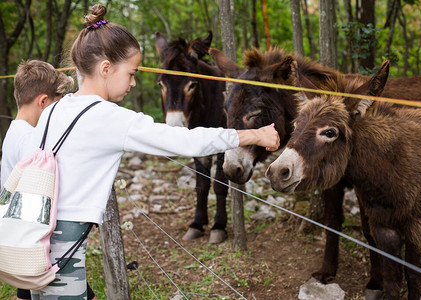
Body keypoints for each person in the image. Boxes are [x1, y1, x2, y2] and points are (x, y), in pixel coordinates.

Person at [27, 3, 279, 299]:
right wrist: (254, 133)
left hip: (37, 235)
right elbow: (184, 141)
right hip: (64, 243)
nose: (134, 82)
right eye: (131, 73)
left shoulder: (53, 110)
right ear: (106, 68)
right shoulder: (108, 117)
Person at [0, 60, 97, 300]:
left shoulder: (16, 131)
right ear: (43, 102)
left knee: (28, 292)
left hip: (24, 235)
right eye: (56, 104)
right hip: (34, 239)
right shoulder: (30, 139)